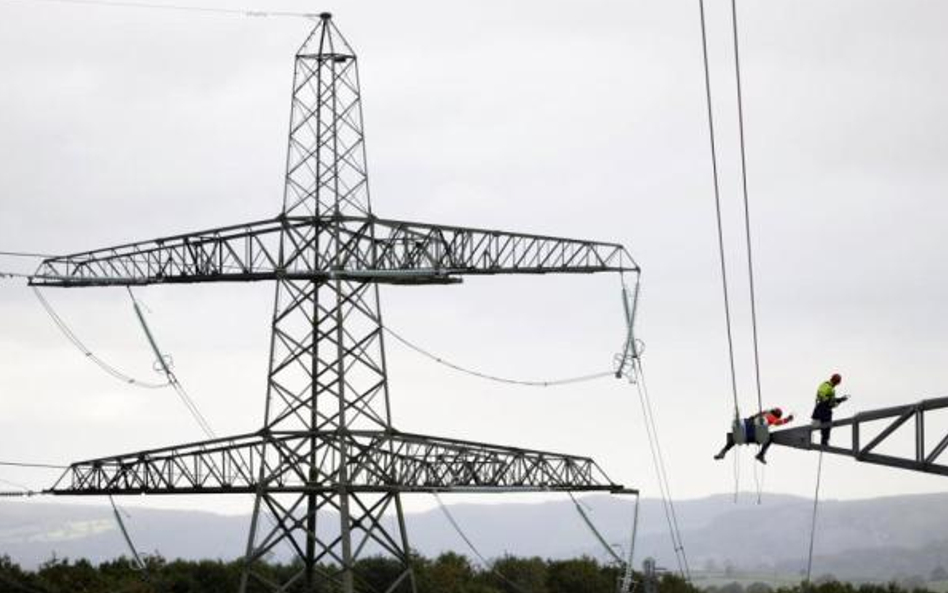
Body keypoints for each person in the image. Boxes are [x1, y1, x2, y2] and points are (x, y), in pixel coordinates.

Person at [714, 408, 794, 464]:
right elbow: (778, 423)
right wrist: (788, 419)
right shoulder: (771, 417)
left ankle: (723, 451)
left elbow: (752, 417)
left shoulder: (763, 413)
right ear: (777, 415)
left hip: (745, 431)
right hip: (754, 436)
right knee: (769, 438)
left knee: (735, 438)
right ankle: (761, 454)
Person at [812, 373, 849, 446]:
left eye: (837, 382)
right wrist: (831, 400)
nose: (836, 383)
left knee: (826, 426)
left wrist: (840, 400)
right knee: (824, 424)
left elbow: (832, 404)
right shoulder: (826, 385)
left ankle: (824, 441)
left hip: (824, 409)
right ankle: (823, 440)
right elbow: (821, 394)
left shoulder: (832, 389)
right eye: (836, 381)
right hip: (822, 408)